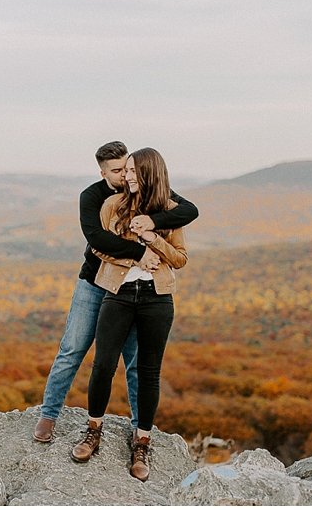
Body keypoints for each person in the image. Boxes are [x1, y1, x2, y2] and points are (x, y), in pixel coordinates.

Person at [33, 141, 198, 443]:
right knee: (73, 350)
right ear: (103, 172)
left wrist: (153, 223)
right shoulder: (95, 197)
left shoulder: (147, 192)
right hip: (94, 281)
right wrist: (138, 252)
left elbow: (188, 211)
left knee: (137, 363)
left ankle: (140, 430)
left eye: (128, 168)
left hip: (132, 289)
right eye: (118, 171)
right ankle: (49, 414)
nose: (125, 175)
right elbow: (98, 239)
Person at [71, 147, 187, 483]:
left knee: (148, 371)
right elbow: (99, 247)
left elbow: (179, 258)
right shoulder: (112, 205)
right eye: (126, 171)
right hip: (118, 294)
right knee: (103, 364)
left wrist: (153, 239)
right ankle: (93, 430)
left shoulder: (171, 212)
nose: (128, 177)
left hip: (157, 299)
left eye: (135, 171)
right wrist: (136, 258)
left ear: (150, 174)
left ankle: (142, 442)